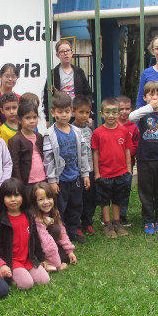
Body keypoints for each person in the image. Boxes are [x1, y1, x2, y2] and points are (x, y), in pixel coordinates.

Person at [128, 81, 158, 235]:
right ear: (145, 97)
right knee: (146, 190)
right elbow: (131, 118)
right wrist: (149, 107)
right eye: (151, 94)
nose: (154, 97)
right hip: (144, 159)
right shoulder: (143, 113)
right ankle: (149, 220)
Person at [42, 93, 91, 243]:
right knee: (60, 208)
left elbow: (83, 154)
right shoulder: (49, 134)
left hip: (75, 177)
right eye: (60, 112)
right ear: (53, 112)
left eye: (67, 111)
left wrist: (85, 174)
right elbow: (48, 158)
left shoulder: (76, 131)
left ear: (71, 111)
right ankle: (60, 234)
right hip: (60, 179)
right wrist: (52, 180)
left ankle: (73, 231)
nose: (64, 115)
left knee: (76, 205)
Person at [0, 178, 50, 290]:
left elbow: (35, 239)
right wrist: (2, 265)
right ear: (2, 198)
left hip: (28, 258)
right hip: (12, 261)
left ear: (23, 197)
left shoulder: (28, 215)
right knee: (27, 284)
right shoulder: (0, 221)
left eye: (17, 195)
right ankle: (14, 277)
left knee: (45, 280)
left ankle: (26, 273)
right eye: (9, 196)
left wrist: (41, 258)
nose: (13, 199)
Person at [91, 97, 133, 239]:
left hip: (121, 173)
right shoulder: (97, 133)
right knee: (105, 200)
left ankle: (117, 223)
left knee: (117, 199)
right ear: (101, 113)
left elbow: (127, 149)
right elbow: (95, 153)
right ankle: (107, 225)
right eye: (107, 112)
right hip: (104, 174)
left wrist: (129, 169)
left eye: (114, 112)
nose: (111, 115)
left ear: (118, 113)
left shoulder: (124, 131)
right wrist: (97, 173)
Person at [31, 182, 77, 272]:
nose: (46, 202)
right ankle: (44, 262)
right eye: (41, 199)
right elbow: (45, 241)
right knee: (59, 260)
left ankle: (50, 261)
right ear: (35, 202)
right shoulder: (36, 218)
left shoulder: (54, 212)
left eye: (49, 198)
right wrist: (58, 265)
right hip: (37, 249)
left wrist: (69, 251)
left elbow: (62, 232)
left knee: (66, 258)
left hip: (49, 242)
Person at [42, 39, 93, 120]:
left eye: (68, 50)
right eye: (62, 51)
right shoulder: (53, 73)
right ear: (58, 55)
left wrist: (88, 115)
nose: (65, 53)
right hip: (61, 115)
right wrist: (48, 118)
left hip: (77, 115)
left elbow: (88, 94)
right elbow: (46, 97)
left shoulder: (79, 72)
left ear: (71, 52)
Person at [8, 101, 46, 195]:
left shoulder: (39, 136)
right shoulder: (15, 140)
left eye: (34, 117)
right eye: (27, 118)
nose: (32, 121)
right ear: (19, 120)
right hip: (27, 183)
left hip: (43, 179)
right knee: (29, 207)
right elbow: (15, 164)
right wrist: (19, 184)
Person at [73, 95, 96, 236]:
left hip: (91, 168)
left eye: (87, 112)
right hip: (77, 170)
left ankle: (88, 222)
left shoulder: (90, 128)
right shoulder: (70, 129)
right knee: (77, 198)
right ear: (73, 111)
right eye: (80, 112)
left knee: (90, 197)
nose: (84, 115)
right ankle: (76, 224)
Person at [117, 95, 139, 226]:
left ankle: (122, 215)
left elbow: (136, 144)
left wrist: (126, 154)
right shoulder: (110, 124)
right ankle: (107, 215)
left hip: (127, 166)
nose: (124, 111)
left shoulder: (133, 127)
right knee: (111, 191)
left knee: (125, 191)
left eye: (127, 108)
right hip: (112, 166)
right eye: (121, 109)